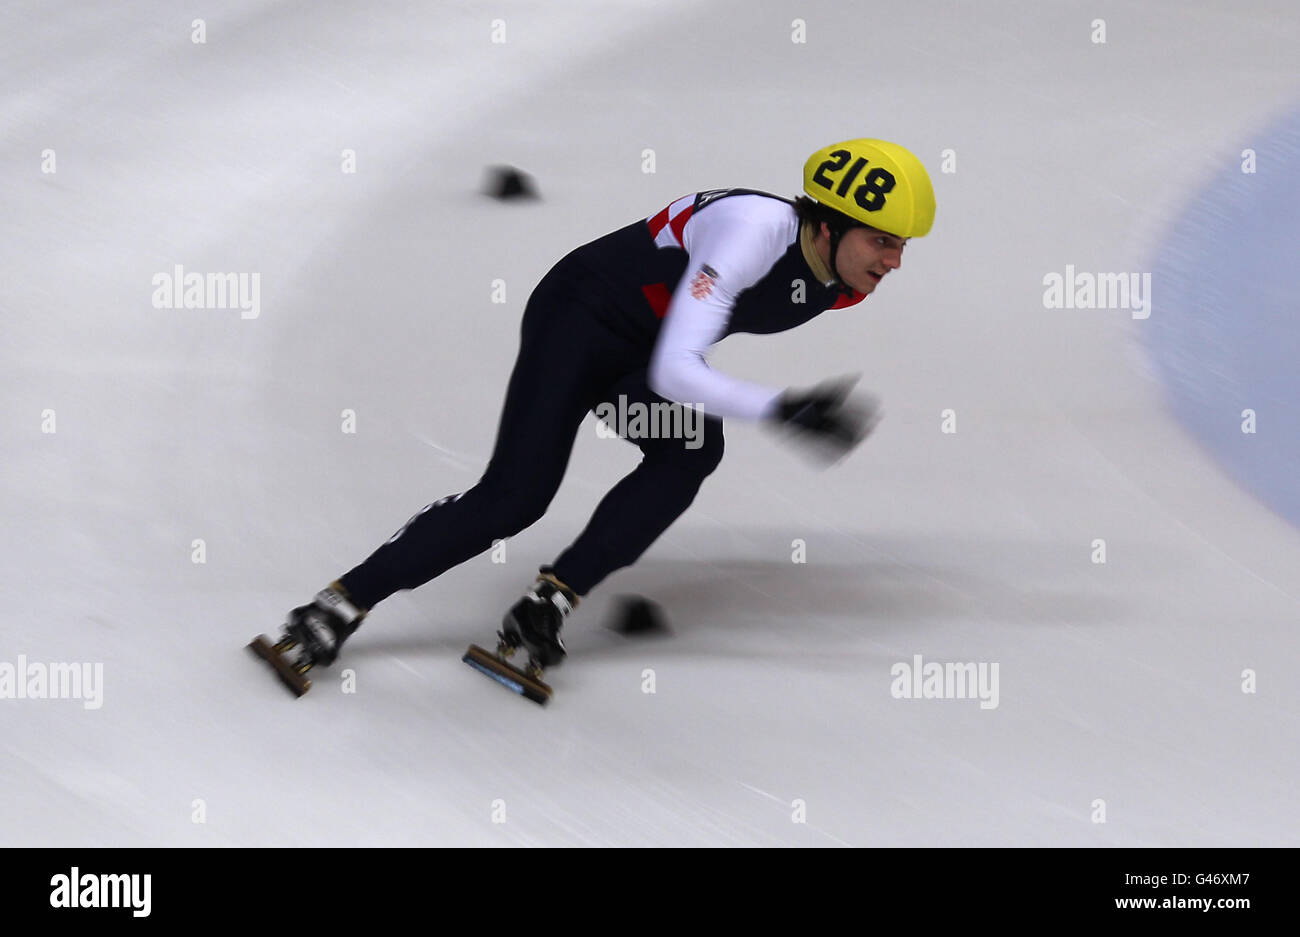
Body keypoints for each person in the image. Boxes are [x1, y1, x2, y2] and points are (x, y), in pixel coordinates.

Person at [276, 138, 936, 676]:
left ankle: (548, 601)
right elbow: (679, 368)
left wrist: (778, 409)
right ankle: (339, 604)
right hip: (578, 323)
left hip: (638, 357)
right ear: (831, 224)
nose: (895, 261)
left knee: (690, 450)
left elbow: (674, 358)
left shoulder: (838, 283)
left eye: (902, 246)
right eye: (883, 241)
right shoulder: (752, 232)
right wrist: (781, 408)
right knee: (516, 497)